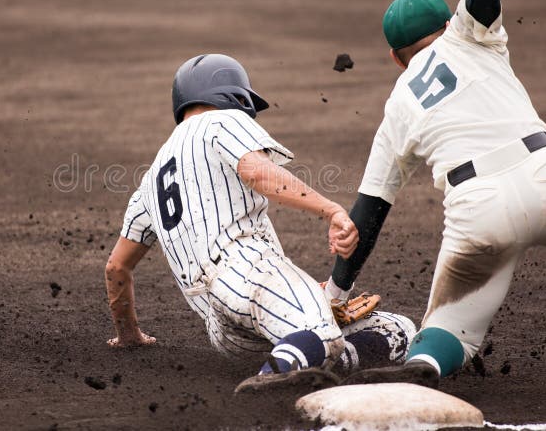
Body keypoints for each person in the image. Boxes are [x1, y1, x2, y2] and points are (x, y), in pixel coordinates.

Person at [322, 0, 546, 389]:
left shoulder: (397, 107)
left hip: (480, 209)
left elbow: (369, 212)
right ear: (447, 25)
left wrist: (335, 291)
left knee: (447, 332)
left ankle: (424, 366)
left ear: (395, 59)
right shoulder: (470, 35)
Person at [104, 53, 416, 392]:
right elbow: (257, 172)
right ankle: (267, 388)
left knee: (398, 330)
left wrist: (129, 336)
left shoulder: (149, 184)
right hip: (250, 271)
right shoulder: (221, 120)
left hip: (224, 331)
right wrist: (330, 210)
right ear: (233, 95)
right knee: (321, 333)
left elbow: (117, 268)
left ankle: (307, 359)